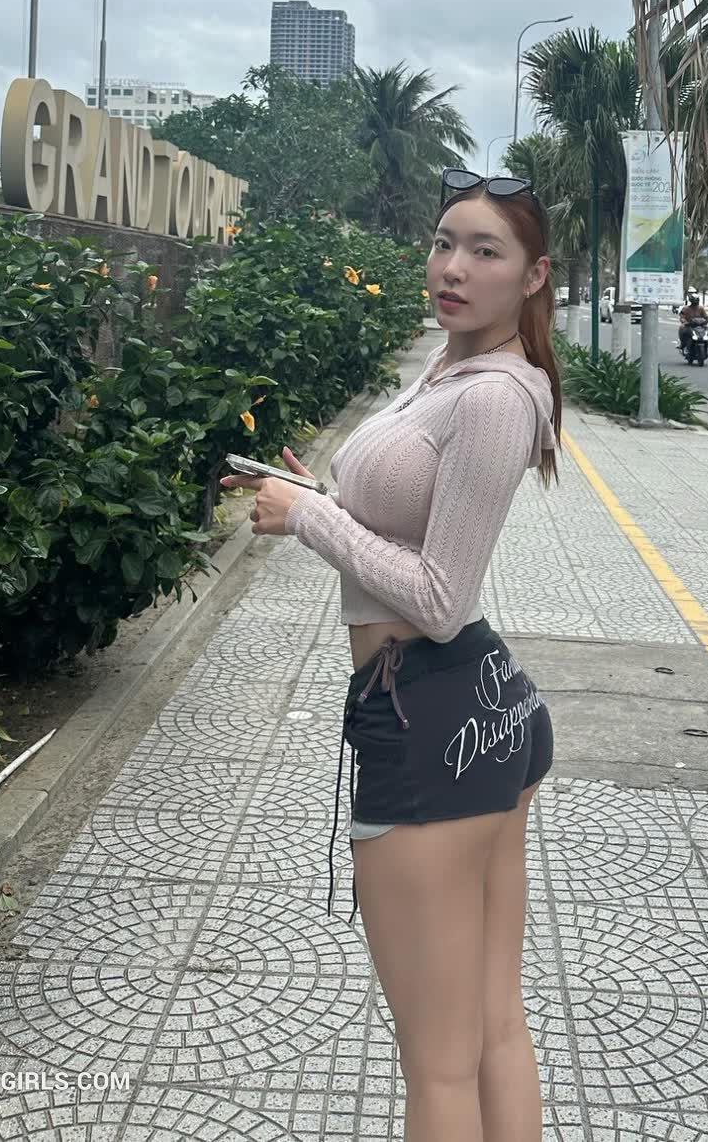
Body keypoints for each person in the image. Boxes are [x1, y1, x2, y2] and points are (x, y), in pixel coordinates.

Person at [219, 167, 558, 1139]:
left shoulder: (494, 397)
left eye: (485, 251)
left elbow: (442, 600)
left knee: (440, 1065)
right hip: (477, 713)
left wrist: (312, 517)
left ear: (534, 276)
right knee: (491, 1026)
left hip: (429, 720)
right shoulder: (450, 365)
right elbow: (410, 518)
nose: (453, 267)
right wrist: (328, 498)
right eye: (444, 242)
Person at [679, 289, 708, 354]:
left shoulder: (701, 308)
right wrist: (684, 322)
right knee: (683, 331)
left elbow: (705, 316)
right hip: (690, 325)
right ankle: (683, 345)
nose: (695, 302)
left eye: (696, 300)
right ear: (691, 300)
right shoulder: (686, 308)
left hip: (700, 326)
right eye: (694, 300)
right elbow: (682, 316)